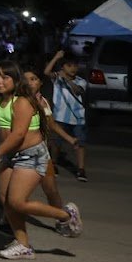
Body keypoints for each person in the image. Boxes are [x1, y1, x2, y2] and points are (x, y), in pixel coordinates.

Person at [0, 61, 81, 259]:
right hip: (12, 156)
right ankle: (23, 245)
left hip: (30, 155)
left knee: (17, 202)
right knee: (6, 201)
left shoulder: (23, 102)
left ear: (16, 79)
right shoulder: (0, 102)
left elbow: (18, 134)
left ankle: (66, 216)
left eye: (4, 77)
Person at [21, 68, 76, 220]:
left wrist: (70, 139)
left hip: (41, 154)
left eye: (34, 79)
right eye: (26, 79)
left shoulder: (43, 102)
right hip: (21, 154)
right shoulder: (18, 101)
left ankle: (65, 219)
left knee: (51, 190)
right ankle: (7, 222)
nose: (30, 83)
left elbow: (52, 125)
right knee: (16, 195)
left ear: (40, 83)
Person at [44, 49, 89, 181]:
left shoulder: (81, 81)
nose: (73, 68)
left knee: (80, 143)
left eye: (75, 65)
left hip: (78, 117)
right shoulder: (57, 79)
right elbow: (46, 72)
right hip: (60, 117)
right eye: (69, 66)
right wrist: (56, 57)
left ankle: (81, 169)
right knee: (56, 143)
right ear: (63, 66)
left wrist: (67, 80)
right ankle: (54, 163)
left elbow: (78, 91)